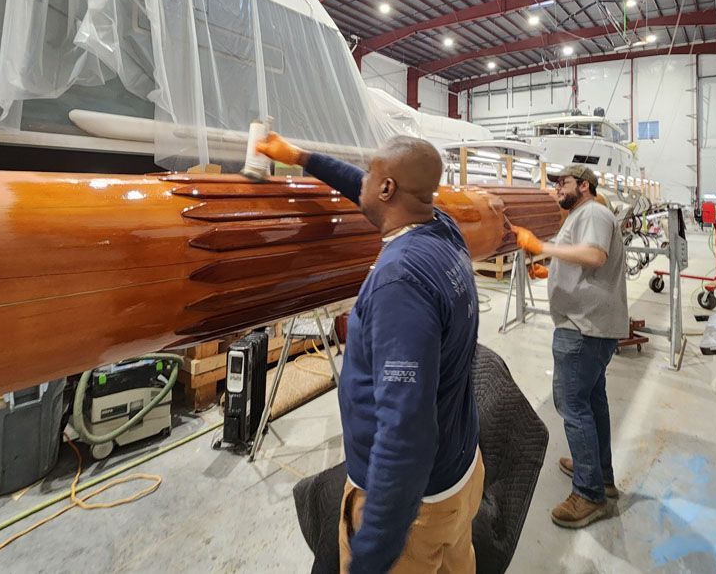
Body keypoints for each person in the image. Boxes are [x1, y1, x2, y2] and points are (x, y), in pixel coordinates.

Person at [256, 132, 484, 574]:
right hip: (461, 473)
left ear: (387, 190)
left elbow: (406, 436)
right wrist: (303, 157)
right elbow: (365, 184)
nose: (361, 182)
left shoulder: (399, 281)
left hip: (420, 509)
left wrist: (374, 553)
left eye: (371, 176)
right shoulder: (443, 227)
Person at [512, 164, 628, 530]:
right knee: (593, 402)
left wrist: (541, 246)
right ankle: (597, 472)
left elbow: (595, 256)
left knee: (572, 405)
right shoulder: (582, 215)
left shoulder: (592, 211)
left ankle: (589, 494)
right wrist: (553, 270)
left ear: (584, 185)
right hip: (589, 325)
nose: (555, 189)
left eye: (561, 183)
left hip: (583, 328)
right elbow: (585, 262)